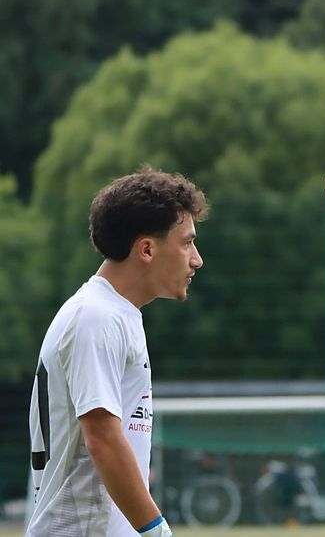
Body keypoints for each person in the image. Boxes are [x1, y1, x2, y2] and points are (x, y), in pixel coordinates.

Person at [27, 166, 208, 537]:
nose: (196, 259)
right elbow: (102, 439)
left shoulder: (116, 315)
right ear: (147, 249)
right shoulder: (96, 317)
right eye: (187, 243)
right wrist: (156, 531)